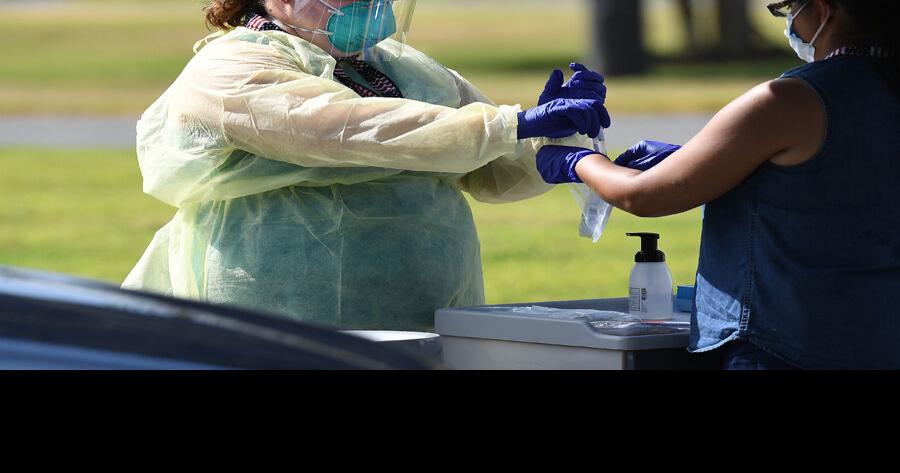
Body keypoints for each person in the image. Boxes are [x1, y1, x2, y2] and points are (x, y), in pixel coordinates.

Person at [122, 0, 609, 331]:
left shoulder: (408, 69)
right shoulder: (230, 68)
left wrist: (565, 143)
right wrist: (510, 124)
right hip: (281, 318)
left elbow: (498, 173)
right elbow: (349, 127)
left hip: (428, 318)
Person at [535, 0, 900, 369]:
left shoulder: (792, 99)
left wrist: (580, 160)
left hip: (781, 349)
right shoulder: (884, 90)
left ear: (823, 10)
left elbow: (642, 194)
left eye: (787, 8)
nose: (789, 22)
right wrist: (706, 163)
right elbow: (835, 185)